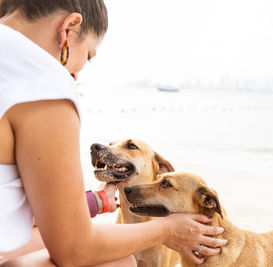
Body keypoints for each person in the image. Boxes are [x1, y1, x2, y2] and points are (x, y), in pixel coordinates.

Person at [0, 1, 227, 266]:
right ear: (70, 27)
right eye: (88, 56)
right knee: (118, 261)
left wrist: (96, 202)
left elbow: (23, 213)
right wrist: (168, 230)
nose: (74, 76)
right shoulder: (42, 82)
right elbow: (74, 250)